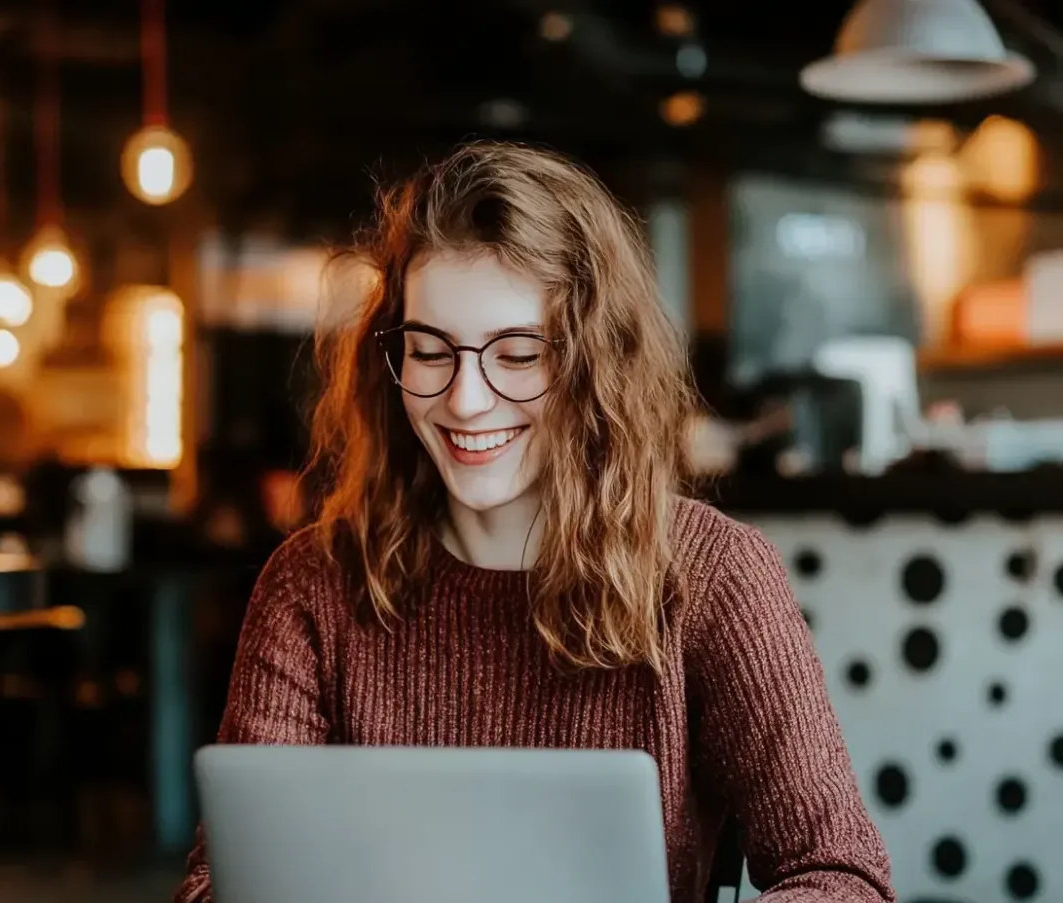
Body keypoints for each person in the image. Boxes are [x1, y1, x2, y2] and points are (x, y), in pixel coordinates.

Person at [175, 143, 894, 903]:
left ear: (593, 363)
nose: (464, 399)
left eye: (517, 355)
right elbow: (218, 881)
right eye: (429, 351)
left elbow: (840, 875)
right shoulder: (313, 582)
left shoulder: (713, 575)